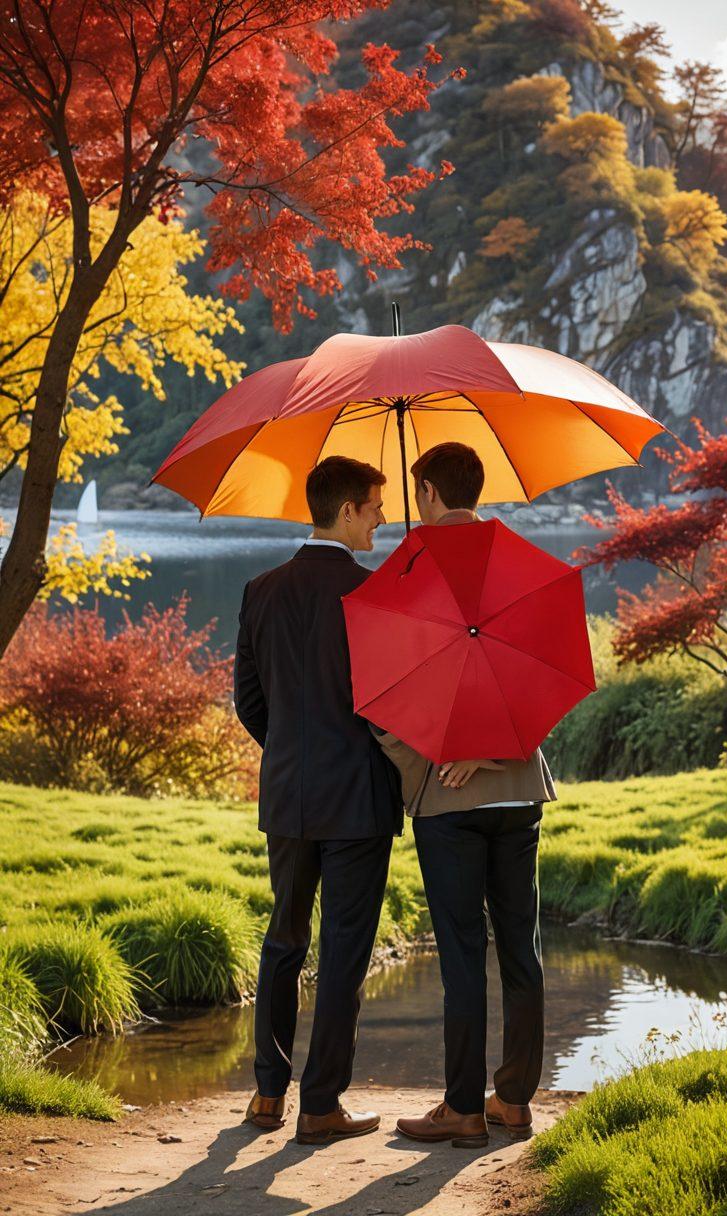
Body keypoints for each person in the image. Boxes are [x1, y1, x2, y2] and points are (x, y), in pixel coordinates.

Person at [375, 442, 556, 1149]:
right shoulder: (520, 564)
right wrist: (495, 752)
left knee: (460, 953)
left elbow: (376, 701)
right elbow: (548, 683)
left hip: (446, 801)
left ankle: (462, 1109)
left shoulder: (408, 566)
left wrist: (434, 758)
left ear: (423, 489)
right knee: (521, 948)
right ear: (477, 488)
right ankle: (513, 1098)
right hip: (518, 793)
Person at [233, 455, 403, 1145]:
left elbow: (249, 701)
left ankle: (268, 1096)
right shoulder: (374, 594)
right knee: (343, 953)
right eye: (375, 506)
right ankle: (321, 1105)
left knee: (283, 939)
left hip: (289, 793)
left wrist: (292, 752)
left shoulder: (260, 589)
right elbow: (389, 707)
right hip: (358, 797)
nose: (383, 518)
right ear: (347, 511)